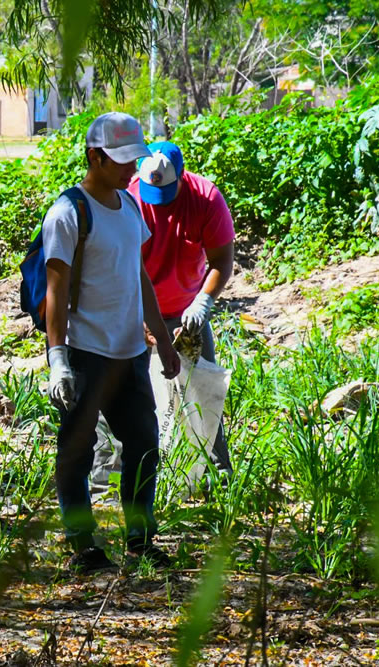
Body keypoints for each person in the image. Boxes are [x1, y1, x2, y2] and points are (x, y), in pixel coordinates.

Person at [42, 112, 180, 573]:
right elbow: (56, 291)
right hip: (85, 351)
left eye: (132, 159)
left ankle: (140, 540)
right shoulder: (68, 213)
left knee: (143, 446)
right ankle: (82, 543)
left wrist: (161, 339)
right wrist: (57, 359)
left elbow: (136, 275)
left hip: (129, 354)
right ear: (93, 156)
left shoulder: (131, 206)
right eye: (119, 160)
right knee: (77, 451)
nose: (129, 169)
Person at [130, 141, 235, 475]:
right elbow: (122, 267)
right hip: (138, 308)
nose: (157, 204)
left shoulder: (205, 198)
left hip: (188, 312)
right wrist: (140, 317)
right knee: (132, 395)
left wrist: (202, 303)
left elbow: (222, 260)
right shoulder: (130, 200)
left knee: (203, 394)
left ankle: (218, 475)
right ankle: (129, 476)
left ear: (182, 176)